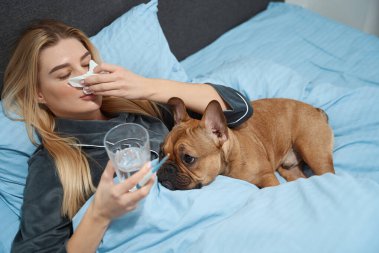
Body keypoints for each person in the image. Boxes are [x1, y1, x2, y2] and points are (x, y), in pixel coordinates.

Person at [1, 20, 253, 252]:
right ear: (39, 94)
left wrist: (147, 87)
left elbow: (239, 110)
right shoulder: (54, 164)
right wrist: (99, 215)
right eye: (65, 75)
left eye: (87, 64)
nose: (85, 79)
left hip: (239, 212)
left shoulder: (141, 109)